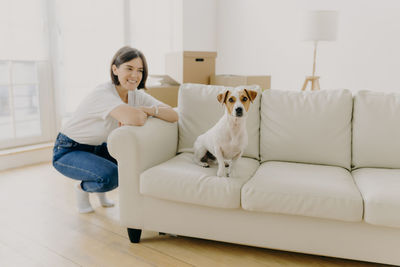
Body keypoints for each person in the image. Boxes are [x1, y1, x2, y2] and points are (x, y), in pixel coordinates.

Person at [52, 46, 178, 213]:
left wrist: (148, 110)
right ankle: (82, 189)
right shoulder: (103, 93)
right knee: (112, 176)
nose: (135, 75)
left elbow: (173, 114)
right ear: (115, 69)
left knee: (131, 165)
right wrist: (142, 113)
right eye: (129, 68)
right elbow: (136, 119)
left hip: (97, 148)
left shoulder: (135, 94)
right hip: (69, 149)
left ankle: (100, 191)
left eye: (140, 70)